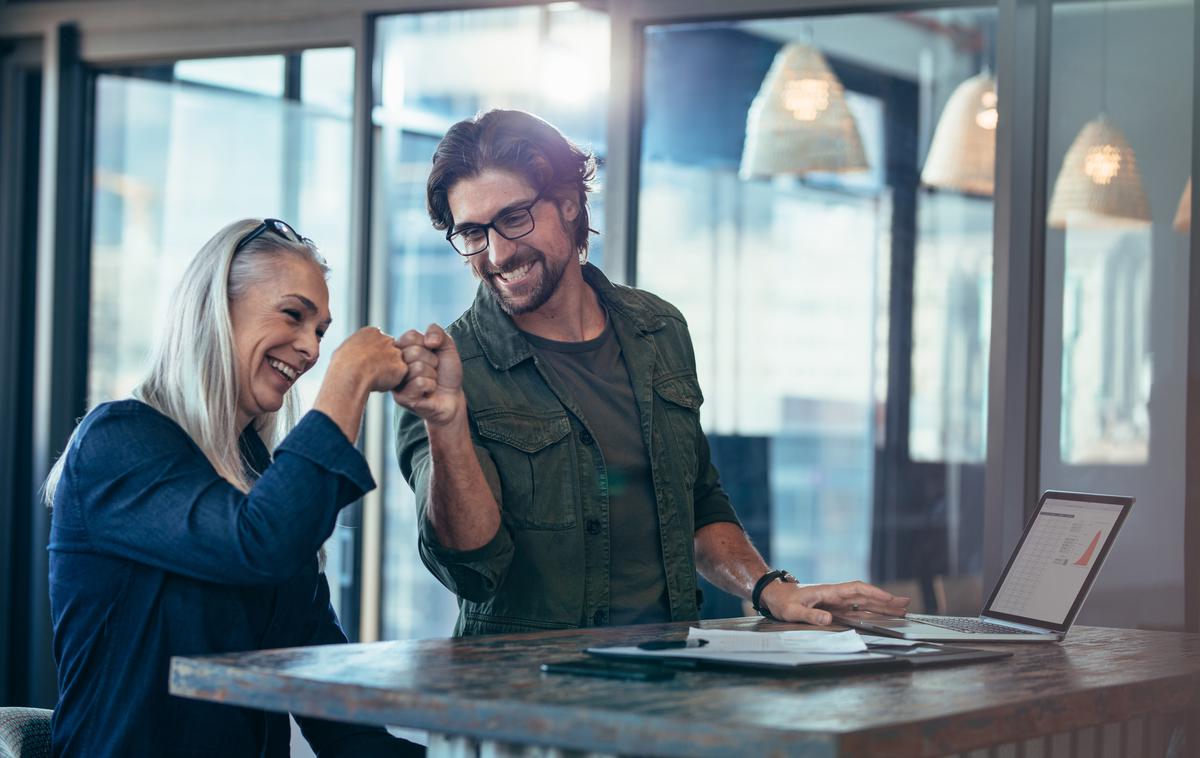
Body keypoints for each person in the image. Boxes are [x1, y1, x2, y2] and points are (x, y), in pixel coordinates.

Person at [393, 109, 910, 637]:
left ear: (569, 204)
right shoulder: (446, 377)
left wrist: (768, 588)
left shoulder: (658, 330)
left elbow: (696, 502)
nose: (498, 253)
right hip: (522, 699)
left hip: (667, 679)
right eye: (473, 233)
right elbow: (469, 568)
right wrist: (447, 424)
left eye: (514, 217)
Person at [45, 219, 424, 757]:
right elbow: (257, 544)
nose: (312, 349)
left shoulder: (266, 479)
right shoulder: (118, 441)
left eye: (320, 332)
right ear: (215, 310)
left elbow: (335, 712)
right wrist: (349, 378)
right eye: (293, 315)